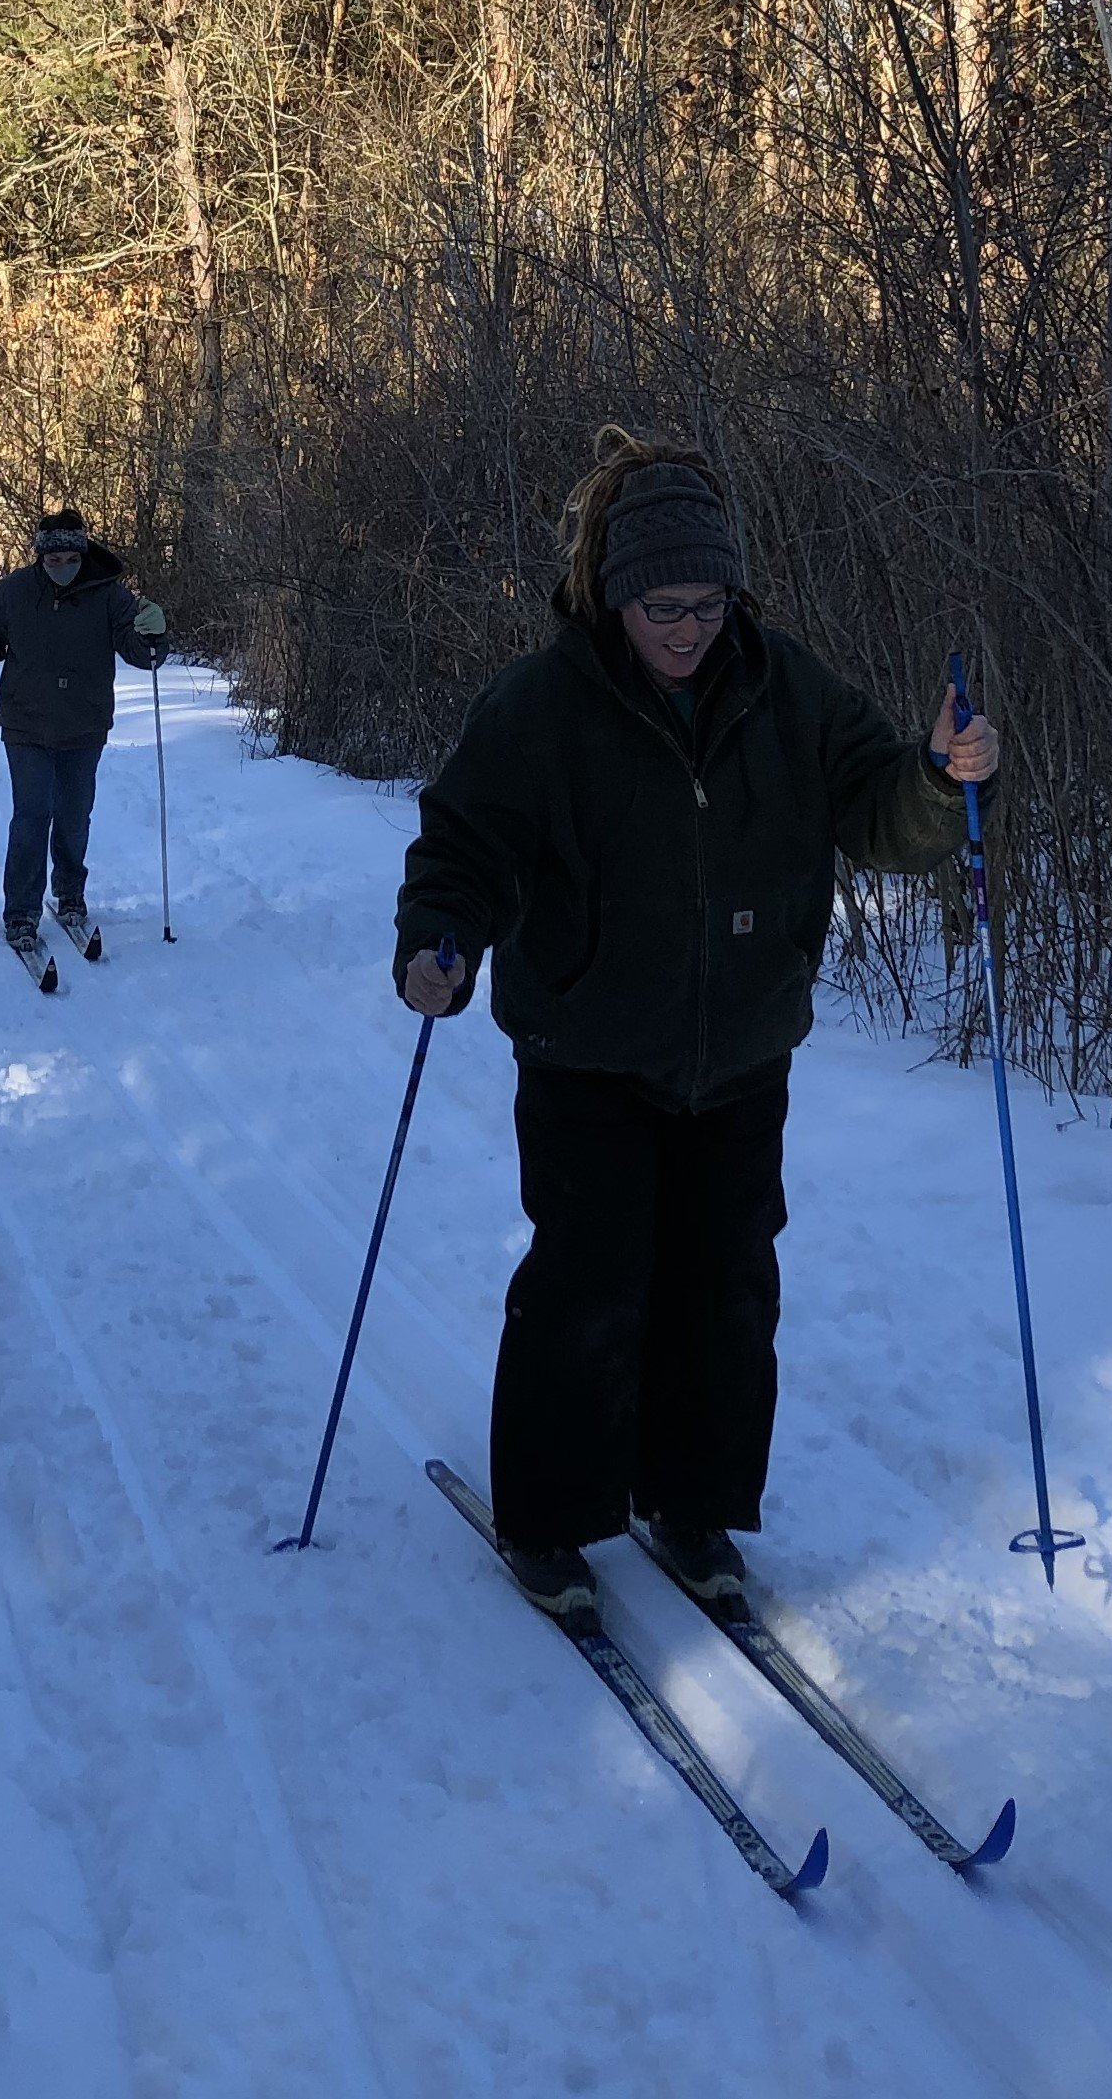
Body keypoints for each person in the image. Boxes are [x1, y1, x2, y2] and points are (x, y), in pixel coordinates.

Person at [393, 430, 998, 1618]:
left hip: (740, 1048)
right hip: (586, 1049)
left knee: (727, 1287)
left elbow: (885, 813)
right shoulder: (538, 706)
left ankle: (691, 1504)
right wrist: (438, 943)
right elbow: (464, 845)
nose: (687, 628)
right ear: (612, 595)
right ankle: (553, 1521)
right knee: (588, 1282)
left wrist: (940, 775)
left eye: (708, 603)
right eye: (662, 605)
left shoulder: (790, 690)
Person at [0, 507, 170, 953]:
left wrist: (155, 633)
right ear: (39, 558)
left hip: (84, 724)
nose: (62, 567)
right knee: (31, 816)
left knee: (73, 816)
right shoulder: (14, 593)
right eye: (53, 560)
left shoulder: (110, 596)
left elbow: (144, 655)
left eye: (70, 559)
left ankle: (70, 896)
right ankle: (22, 912)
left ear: (82, 554)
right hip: (25, 723)